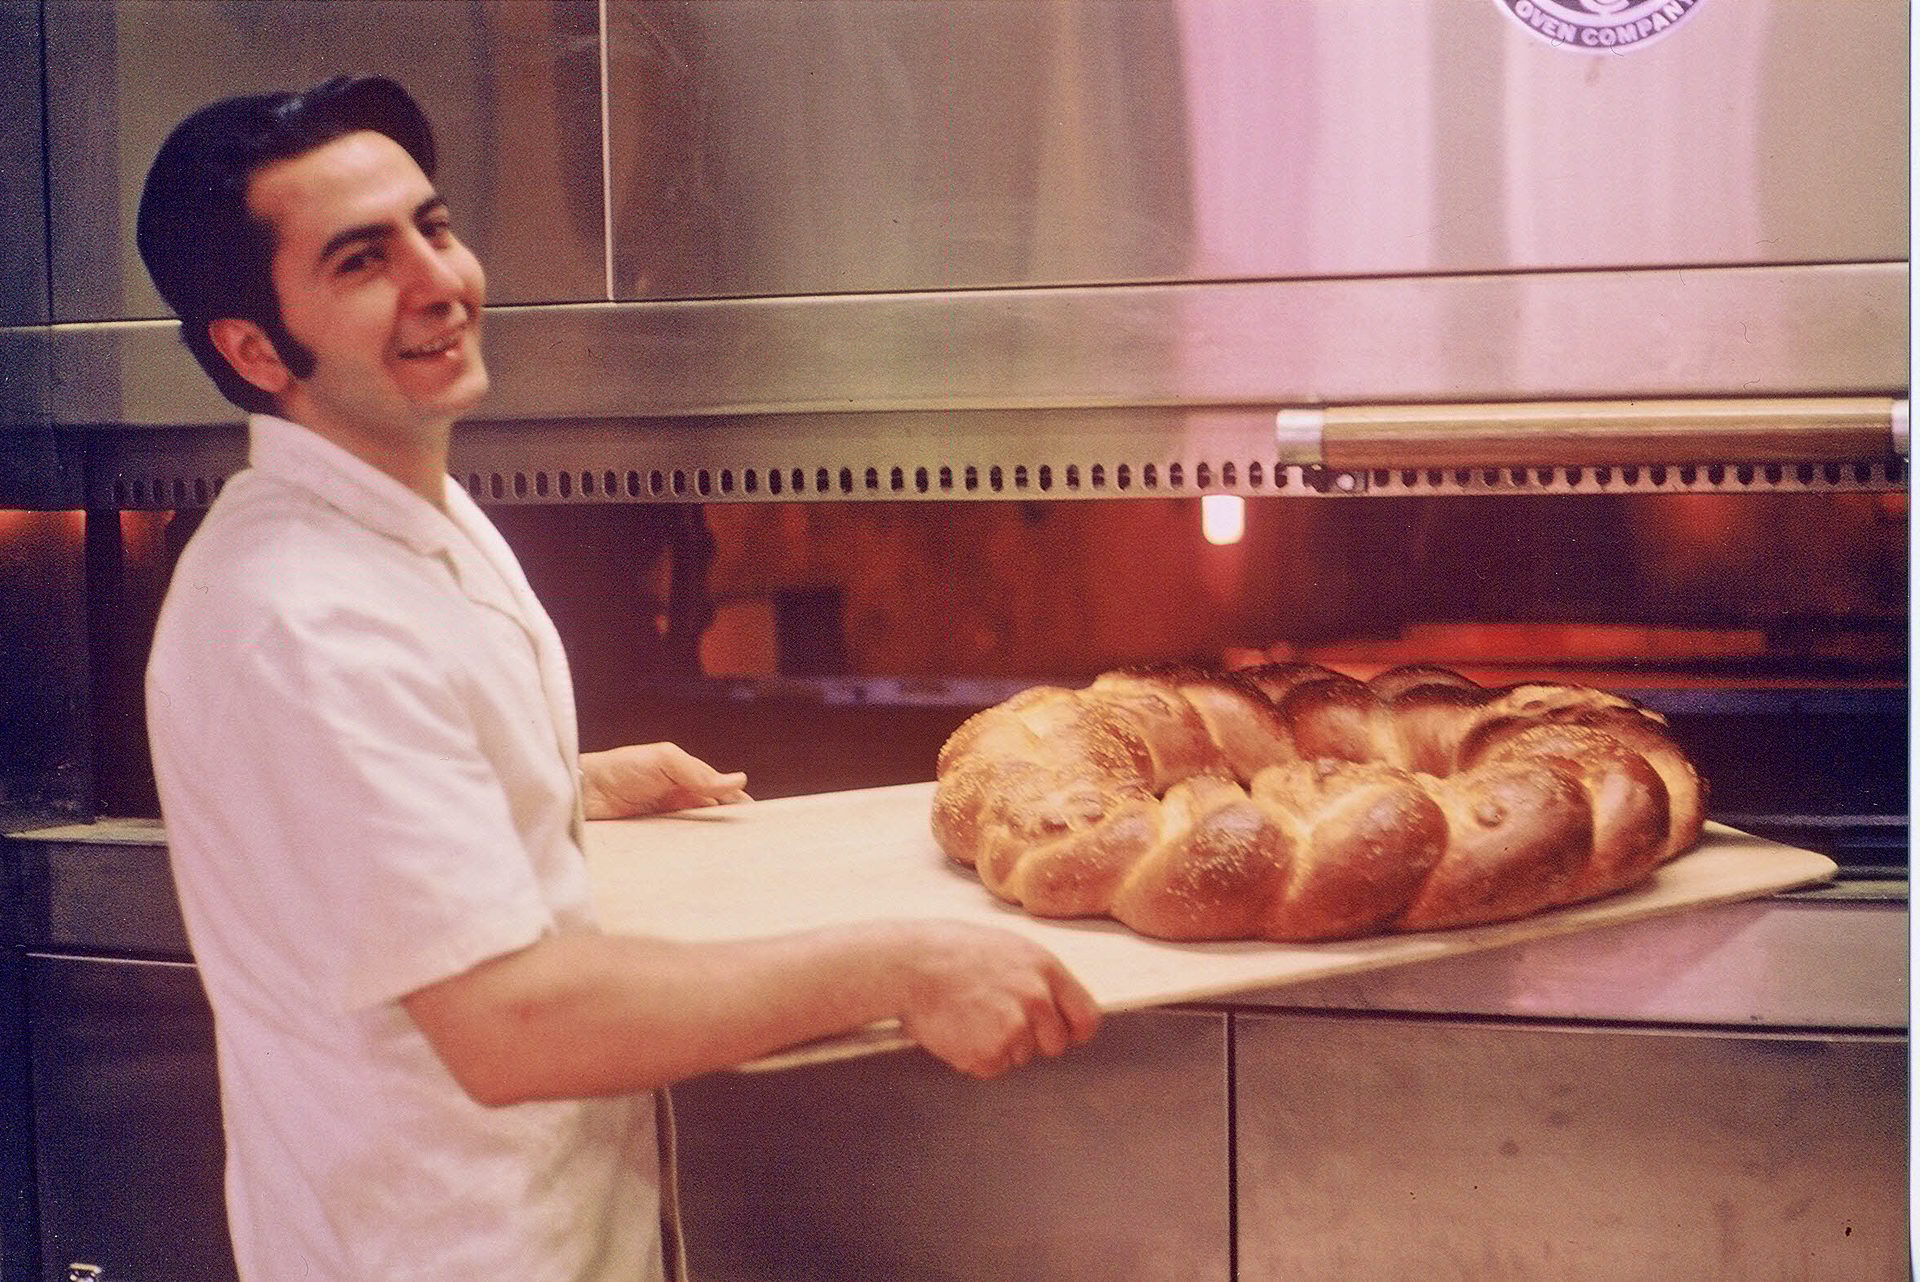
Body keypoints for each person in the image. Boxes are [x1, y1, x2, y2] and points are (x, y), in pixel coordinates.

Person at [137, 75, 1099, 1282]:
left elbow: (354, 814)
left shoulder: (400, 510)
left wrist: (553, 783)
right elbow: (510, 1021)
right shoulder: (301, 616)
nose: (438, 282)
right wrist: (903, 964)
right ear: (249, 345)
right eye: (359, 261)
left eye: (433, 227)